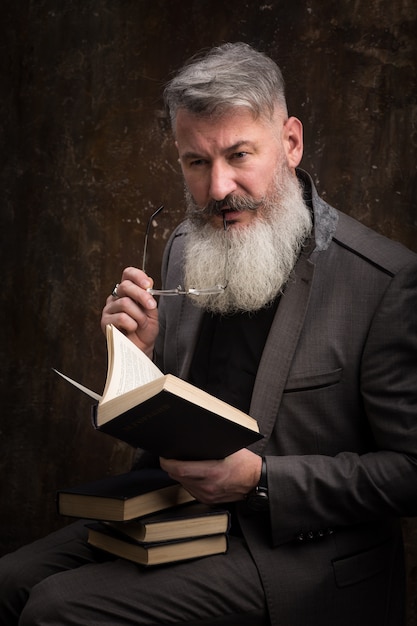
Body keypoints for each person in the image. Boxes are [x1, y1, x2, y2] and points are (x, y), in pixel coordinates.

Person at [1, 42, 416, 626]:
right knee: (11, 580)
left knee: (57, 609)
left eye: (239, 154)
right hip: (181, 512)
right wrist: (137, 358)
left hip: (300, 553)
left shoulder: (385, 280)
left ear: (291, 143)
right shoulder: (183, 248)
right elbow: (172, 414)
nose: (219, 187)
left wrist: (263, 480)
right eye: (196, 162)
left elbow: (411, 470)